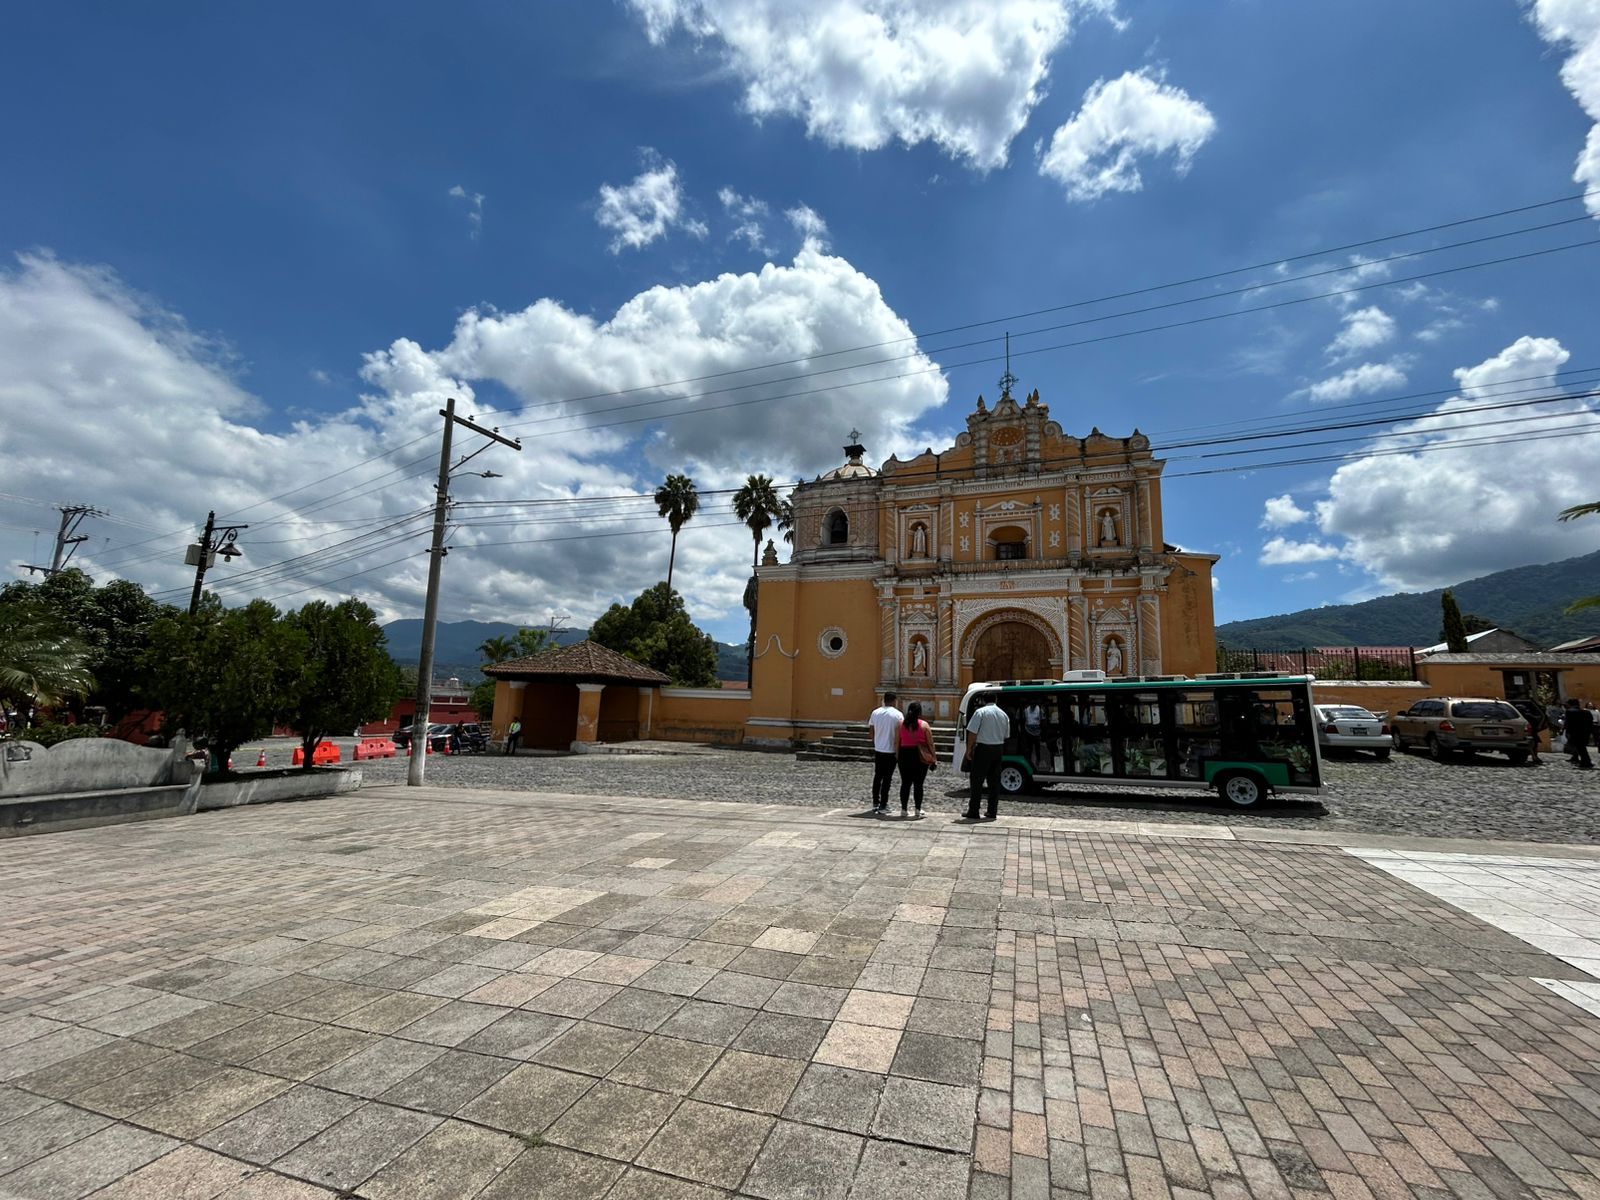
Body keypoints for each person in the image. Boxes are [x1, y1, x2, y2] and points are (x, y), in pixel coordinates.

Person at [964, 692, 1011, 821]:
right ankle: (992, 811)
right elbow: (1006, 735)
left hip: (983, 748)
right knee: (994, 781)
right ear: (995, 700)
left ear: (984, 701)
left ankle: (974, 810)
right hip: (998, 748)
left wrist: (969, 749)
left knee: (977, 780)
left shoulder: (980, 712)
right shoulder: (1003, 714)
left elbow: (972, 732)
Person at [897, 701, 934, 818]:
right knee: (918, 784)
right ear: (920, 712)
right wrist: (933, 757)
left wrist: (897, 755)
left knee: (905, 783)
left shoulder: (901, 724)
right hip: (919, 755)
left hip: (904, 754)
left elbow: (897, 741)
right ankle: (918, 809)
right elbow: (930, 743)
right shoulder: (924, 725)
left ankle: (904, 809)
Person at [868, 693, 903, 813]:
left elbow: (871, 731)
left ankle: (875, 802)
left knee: (877, 776)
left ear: (884, 700)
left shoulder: (875, 712)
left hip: (879, 749)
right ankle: (883, 804)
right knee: (887, 778)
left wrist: (876, 741)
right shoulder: (898, 714)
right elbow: (900, 734)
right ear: (894, 701)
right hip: (891, 750)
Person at [1563, 698, 1594, 770]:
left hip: (1575, 732)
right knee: (1581, 747)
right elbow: (1590, 723)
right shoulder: (1587, 712)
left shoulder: (1569, 712)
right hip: (1585, 732)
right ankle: (1583, 760)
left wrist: (1567, 732)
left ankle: (1586, 761)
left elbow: (1568, 723)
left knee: (1580, 747)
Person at [1020, 699, 1044, 767]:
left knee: (1037, 748)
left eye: (1034, 705)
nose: (1033, 706)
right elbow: (1023, 720)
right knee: (1029, 748)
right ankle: (1029, 762)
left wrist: (1042, 731)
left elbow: (1042, 720)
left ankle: (1038, 761)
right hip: (1028, 731)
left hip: (1037, 731)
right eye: (1032, 705)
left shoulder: (1040, 710)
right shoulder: (1026, 710)